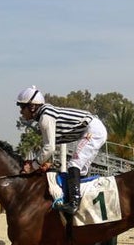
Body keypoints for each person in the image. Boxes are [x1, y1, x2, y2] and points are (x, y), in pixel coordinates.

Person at [16, 86, 107, 215]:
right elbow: (49, 147)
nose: (21, 112)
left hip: (93, 130)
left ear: (32, 107)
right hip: (93, 129)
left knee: (74, 164)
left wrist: (33, 166)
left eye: (22, 107)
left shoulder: (45, 118)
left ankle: (74, 204)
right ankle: (82, 202)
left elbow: (49, 148)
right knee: (80, 170)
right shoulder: (45, 114)